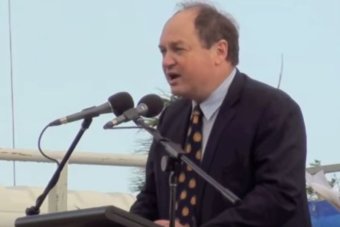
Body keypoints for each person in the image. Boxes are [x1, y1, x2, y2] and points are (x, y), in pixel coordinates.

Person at [130, 2, 311, 227]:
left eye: (178, 49)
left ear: (220, 51)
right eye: (163, 51)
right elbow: (150, 198)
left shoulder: (273, 109)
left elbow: (278, 198)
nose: (167, 61)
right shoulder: (172, 117)